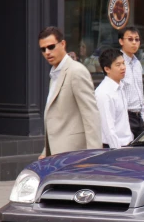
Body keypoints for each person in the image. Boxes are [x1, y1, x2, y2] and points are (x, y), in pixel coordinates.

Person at [38, 26, 101, 158]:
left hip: (75, 153)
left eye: (51, 47)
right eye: (43, 49)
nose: (47, 52)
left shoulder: (76, 71)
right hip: (56, 154)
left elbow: (91, 115)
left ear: (63, 44)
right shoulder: (54, 74)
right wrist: (46, 151)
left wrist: (94, 155)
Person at [95, 49, 133, 149]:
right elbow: (108, 129)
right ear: (107, 69)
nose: (123, 67)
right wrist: (117, 151)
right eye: (118, 65)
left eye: (123, 63)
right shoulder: (103, 93)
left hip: (127, 145)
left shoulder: (120, 86)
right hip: (114, 148)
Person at [119, 26, 144, 138]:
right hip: (126, 116)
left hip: (139, 116)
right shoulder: (118, 63)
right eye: (130, 39)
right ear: (121, 41)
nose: (134, 43)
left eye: (137, 39)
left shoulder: (137, 63)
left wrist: (143, 115)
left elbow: (140, 90)